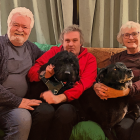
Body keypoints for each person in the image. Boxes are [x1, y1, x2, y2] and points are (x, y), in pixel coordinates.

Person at [27, 24, 97, 140]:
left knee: (65, 112)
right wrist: (44, 74)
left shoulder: (89, 59)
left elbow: (84, 85)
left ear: (81, 42)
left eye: (75, 40)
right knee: (44, 112)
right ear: (62, 42)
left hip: (71, 102)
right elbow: (33, 72)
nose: (70, 44)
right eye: (67, 40)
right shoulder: (53, 52)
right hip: (46, 96)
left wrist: (60, 97)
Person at [0, 7, 50, 140]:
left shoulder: (31, 48)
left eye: (25, 27)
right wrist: (17, 101)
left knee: (23, 118)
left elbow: (49, 58)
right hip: (10, 102)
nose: (20, 30)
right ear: (8, 24)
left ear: (30, 30)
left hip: (12, 109)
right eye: (16, 25)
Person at [93, 21, 140, 140]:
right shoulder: (116, 58)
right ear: (122, 38)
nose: (131, 37)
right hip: (123, 105)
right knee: (123, 128)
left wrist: (126, 91)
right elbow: (105, 76)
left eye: (135, 34)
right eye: (126, 35)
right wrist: (96, 86)